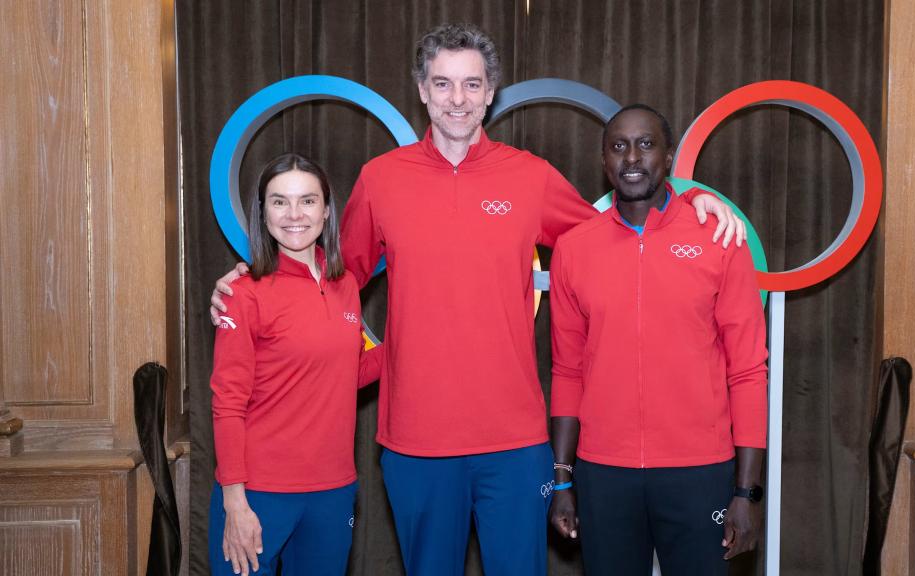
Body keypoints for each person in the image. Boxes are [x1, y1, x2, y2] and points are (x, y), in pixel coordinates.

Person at [211, 25, 745, 576]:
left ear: (491, 93)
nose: (457, 99)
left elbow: (614, 230)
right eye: (443, 83)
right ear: (422, 90)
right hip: (415, 442)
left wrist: (690, 202)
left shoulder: (529, 176)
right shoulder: (381, 179)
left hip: (515, 443)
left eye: (472, 84)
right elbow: (329, 273)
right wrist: (250, 281)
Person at [547, 104, 768, 576]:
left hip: (700, 469)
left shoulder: (719, 239)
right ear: (603, 160)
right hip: (604, 471)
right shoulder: (574, 248)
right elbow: (567, 370)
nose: (632, 157)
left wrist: (747, 492)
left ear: (668, 157)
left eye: (646, 144)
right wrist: (562, 480)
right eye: (618, 146)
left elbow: (748, 371)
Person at [208, 153, 381, 576]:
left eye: (307, 200)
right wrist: (235, 501)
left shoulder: (346, 285)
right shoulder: (242, 292)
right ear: (262, 212)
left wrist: (412, 345)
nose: (294, 214)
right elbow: (227, 403)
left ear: (326, 210)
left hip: (333, 490)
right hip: (258, 493)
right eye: (279, 202)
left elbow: (347, 373)